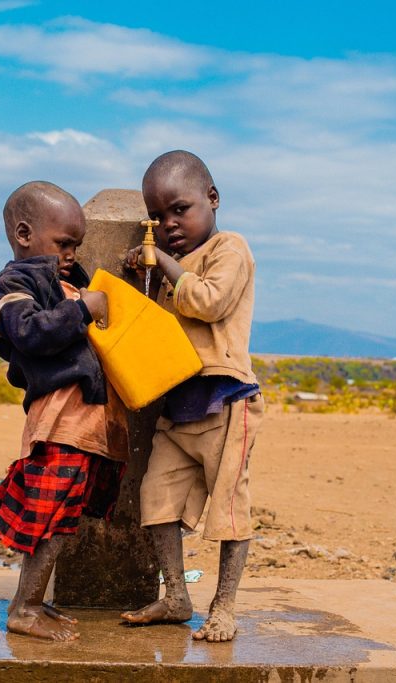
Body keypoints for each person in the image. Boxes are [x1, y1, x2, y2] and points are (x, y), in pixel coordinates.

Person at [0, 180, 128, 642]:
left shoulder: (68, 279)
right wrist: (82, 311)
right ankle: (25, 609)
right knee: (52, 514)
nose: (72, 254)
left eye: (76, 245)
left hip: (85, 420)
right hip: (60, 419)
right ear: (23, 234)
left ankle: (32, 602)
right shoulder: (18, 282)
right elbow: (26, 331)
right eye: (64, 243)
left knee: (67, 511)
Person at [121, 150, 264, 642]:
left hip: (226, 401)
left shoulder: (230, 248)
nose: (169, 224)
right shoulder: (170, 267)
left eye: (179, 209)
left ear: (213, 198)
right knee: (156, 499)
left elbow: (208, 300)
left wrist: (160, 262)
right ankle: (177, 596)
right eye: (157, 217)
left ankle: (224, 607)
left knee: (228, 508)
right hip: (177, 404)